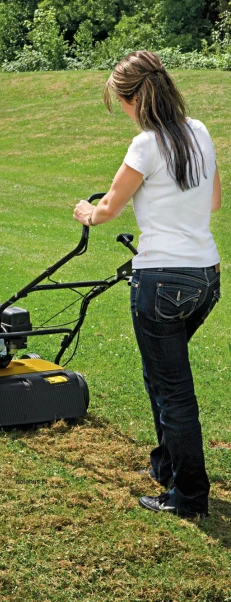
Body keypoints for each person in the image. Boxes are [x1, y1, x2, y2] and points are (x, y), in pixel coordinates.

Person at [73, 50, 221, 518]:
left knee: (174, 388)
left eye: (120, 101)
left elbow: (109, 208)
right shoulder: (199, 132)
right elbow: (214, 202)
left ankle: (189, 497)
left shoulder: (146, 145)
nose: (122, 109)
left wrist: (86, 212)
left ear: (134, 98)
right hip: (205, 279)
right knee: (161, 374)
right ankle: (166, 465)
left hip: (160, 283)